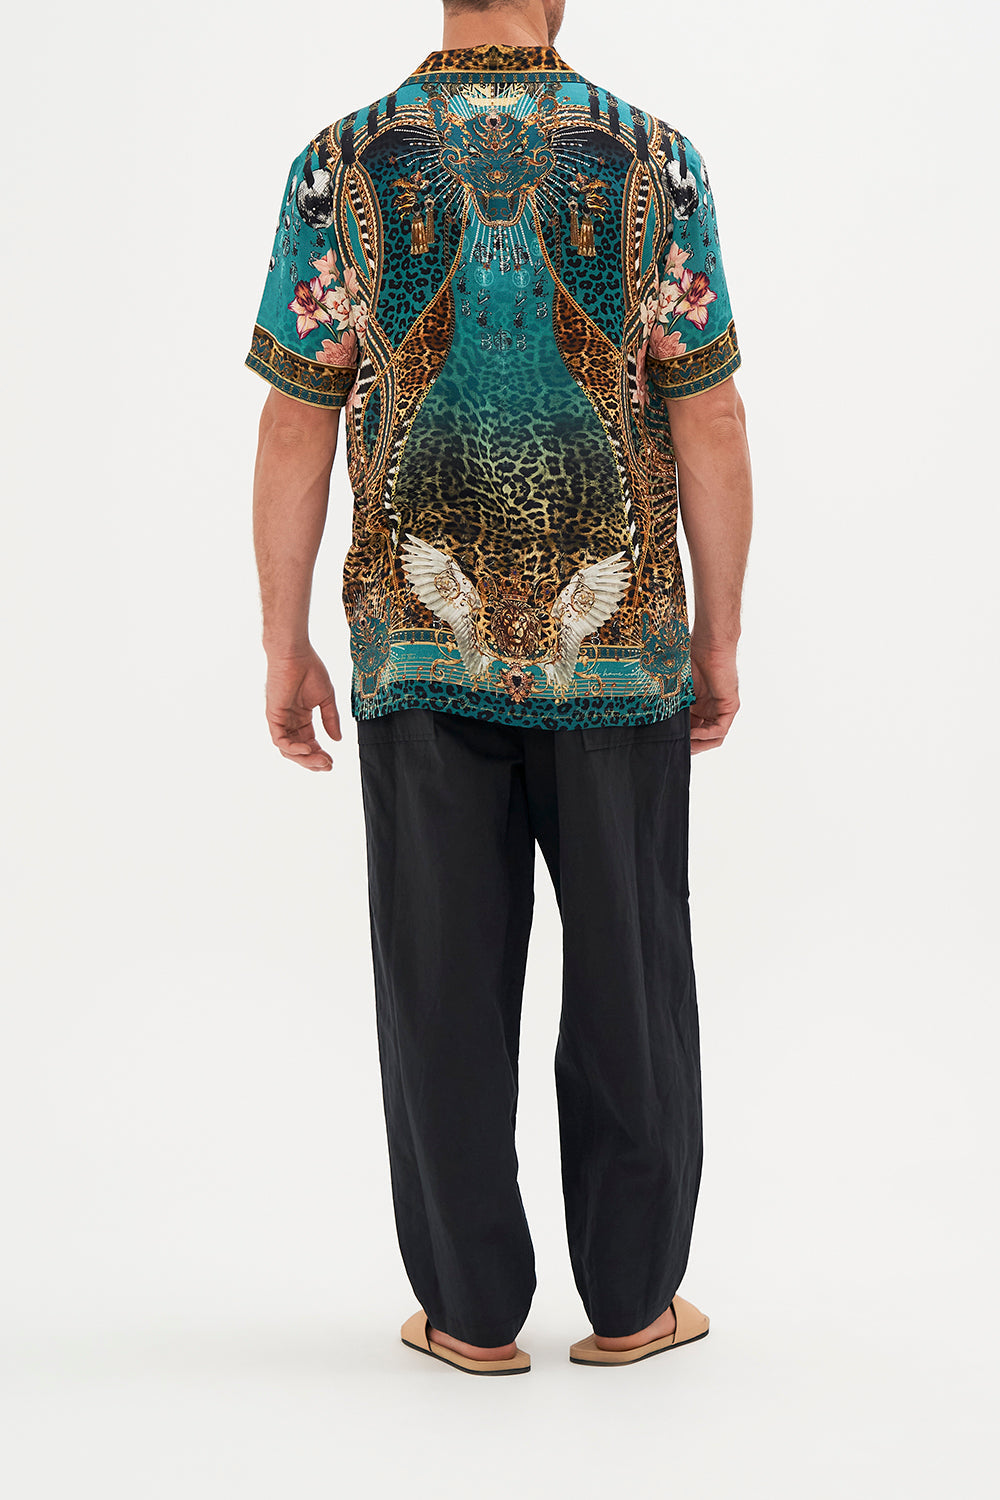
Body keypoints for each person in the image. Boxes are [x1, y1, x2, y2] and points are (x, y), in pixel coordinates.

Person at [245, 0, 752, 1376]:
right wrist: (717, 638)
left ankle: (469, 1315)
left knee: (441, 979)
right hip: (617, 643)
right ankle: (633, 1304)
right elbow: (708, 411)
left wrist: (285, 640)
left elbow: (294, 418)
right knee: (631, 972)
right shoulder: (655, 160)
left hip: (420, 646)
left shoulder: (339, 163)